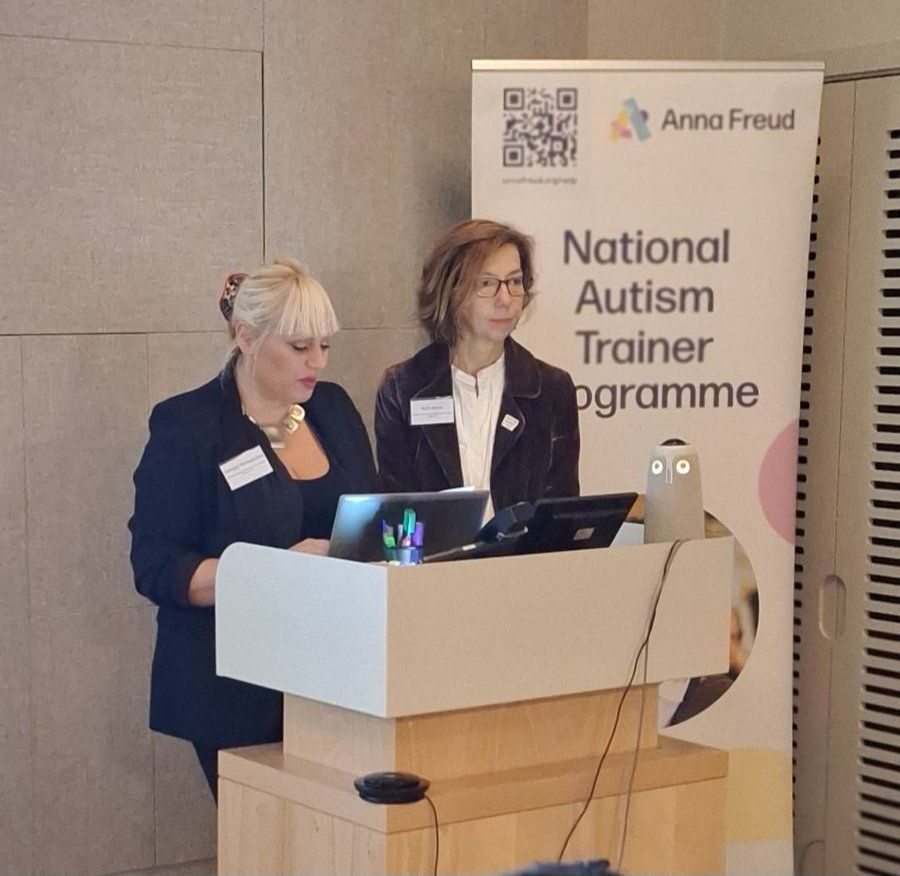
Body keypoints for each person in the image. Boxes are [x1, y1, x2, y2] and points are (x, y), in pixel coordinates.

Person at [128, 259, 376, 800]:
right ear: (246, 338)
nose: (317, 361)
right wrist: (274, 571)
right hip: (233, 689)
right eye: (299, 346)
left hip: (337, 678)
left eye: (325, 346)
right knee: (270, 838)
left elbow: (368, 519)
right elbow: (157, 567)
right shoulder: (189, 425)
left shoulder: (332, 407)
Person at [375, 219, 580, 517]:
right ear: (451, 291)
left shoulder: (551, 389)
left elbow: (560, 515)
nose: (505, 299)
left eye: (514, 282)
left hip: (523, 549)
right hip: (435, 549)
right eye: (487, 284)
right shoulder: (402, 387)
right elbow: (397, 513)